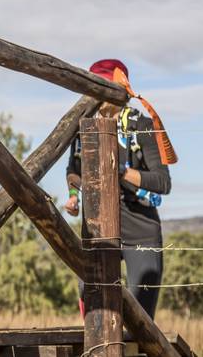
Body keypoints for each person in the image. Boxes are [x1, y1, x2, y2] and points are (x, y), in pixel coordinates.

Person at [64, 58, 173, 319]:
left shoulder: (142, 125)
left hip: (141, 229)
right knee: (89, 295)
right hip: (99, 227)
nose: (93, 96)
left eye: (100, 88)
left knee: (141, 319)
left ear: (118, 91)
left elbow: (162, 182)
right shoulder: (83, 128)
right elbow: (73, 170)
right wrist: (72, 196)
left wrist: (119, 171)